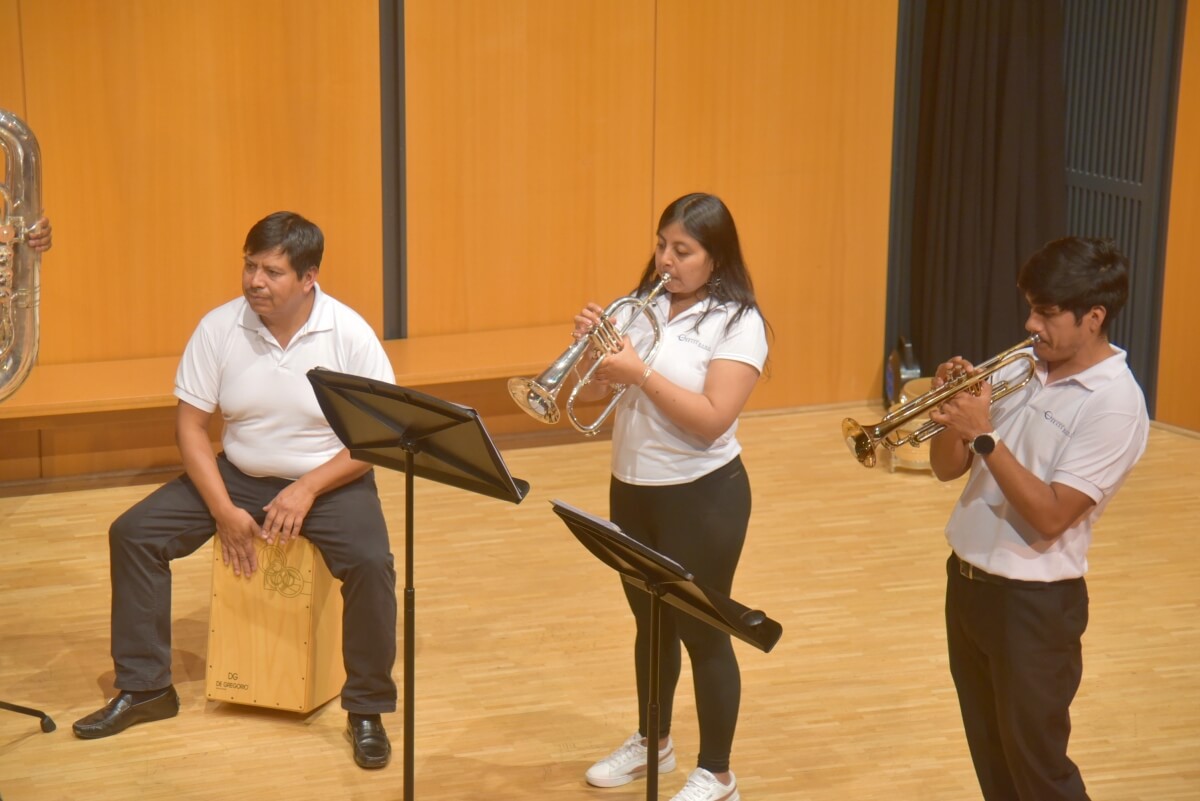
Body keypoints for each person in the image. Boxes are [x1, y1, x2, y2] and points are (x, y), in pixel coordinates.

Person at [71, 211, 399, 770]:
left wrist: (307, 489)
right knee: (134, 534)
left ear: (308, 277)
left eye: (271, 271)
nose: (254, 281)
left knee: (372, 562)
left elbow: (378, 439)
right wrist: (223, 509)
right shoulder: (220, 327)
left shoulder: (349, 334)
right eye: (249, 266)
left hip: (328, 481)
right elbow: (191, 427)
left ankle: (366, 708)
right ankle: (148, 687)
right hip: (238, 475)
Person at [927, 236, 1149, 800]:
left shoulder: (1115, 403)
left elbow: (1052, 515)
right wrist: (949, 410)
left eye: (1046, 313)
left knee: (1040, 771)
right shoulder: (1026, 364)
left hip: (1033, 607)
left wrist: (982, 433)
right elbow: (947, 469)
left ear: (1093, 317)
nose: (1030, 324)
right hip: (969, 587)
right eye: (1030, 308)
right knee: (993, 760)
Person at [576, 193, 768, 801]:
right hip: (633, 489)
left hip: (703, 496)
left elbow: (713, 419)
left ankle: (718, 773)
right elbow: (593, 402)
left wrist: (639, 374)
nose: (666, 260)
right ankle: (653, 741)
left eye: (682, 251)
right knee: (649, 623)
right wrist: (592, 355)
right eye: (661, 245)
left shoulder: (740, 323)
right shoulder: (642, 307)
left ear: (717, 258)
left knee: (703, 632)